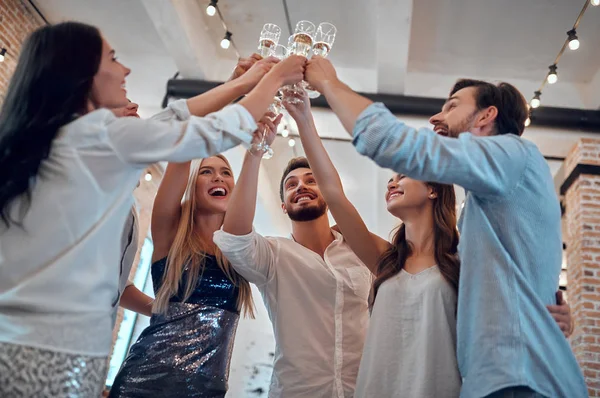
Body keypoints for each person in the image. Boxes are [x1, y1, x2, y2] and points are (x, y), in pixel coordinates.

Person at [0, 21, 305, 397]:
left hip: (39, 348)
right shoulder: (95, 137)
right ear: (81, 72)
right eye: (113, 58)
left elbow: (177, 119)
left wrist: (241, 85)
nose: (125, 69)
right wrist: (272, 78)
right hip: (55, 354)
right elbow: (207, 131)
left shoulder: (58, 141)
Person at [304, 57, 587, 397]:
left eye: (452, 106)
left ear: (486, 116)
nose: (437, 117)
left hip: (518, 381)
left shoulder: (514, 155)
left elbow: (401, 145)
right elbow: (511, 285)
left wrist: (329, 84)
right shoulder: (481, 222)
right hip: (496, 382)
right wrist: (548, 318)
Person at [284, 90, 461, 397]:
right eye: (391, 179)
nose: (392, 182)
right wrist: (304, 120)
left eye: (402, 175)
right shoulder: (386, 261)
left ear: (433, 189)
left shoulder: (460, 263)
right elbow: (334, 194)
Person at [109, 115, 280, 397]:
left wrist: (256, 151)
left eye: (226, 172)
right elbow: (183, 156)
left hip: (207, 387)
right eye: (206, 171)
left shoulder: (237, 250)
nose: (218, 177)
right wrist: (162, 309)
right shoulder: (170, 235)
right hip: (146, 378)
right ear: (194, 187)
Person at [213, 154, 373, 395]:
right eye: (291, 184)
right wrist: (254, 154)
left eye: (311, 180)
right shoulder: (271, 255)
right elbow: (234, 237)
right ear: (284, 206)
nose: (301, 186)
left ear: (329, 196)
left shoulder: (359, 252)